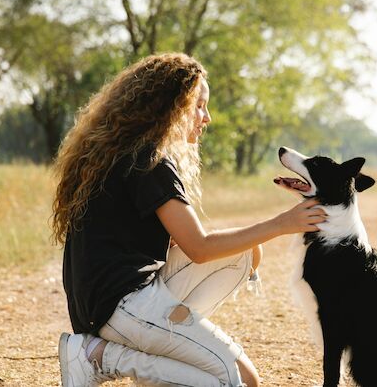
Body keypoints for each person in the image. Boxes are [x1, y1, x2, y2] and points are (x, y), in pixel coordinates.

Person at [52, 53, 326, 386]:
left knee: (246, 255)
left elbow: (159, 241)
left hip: (107, 303)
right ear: (171, 107)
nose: (206, 117)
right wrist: (283, 223)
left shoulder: (128, 153)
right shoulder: (150, 161)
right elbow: (199, 248)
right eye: (198, 105)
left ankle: (147, 353)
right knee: (234, 380)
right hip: (119, 304)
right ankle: (101, 357)